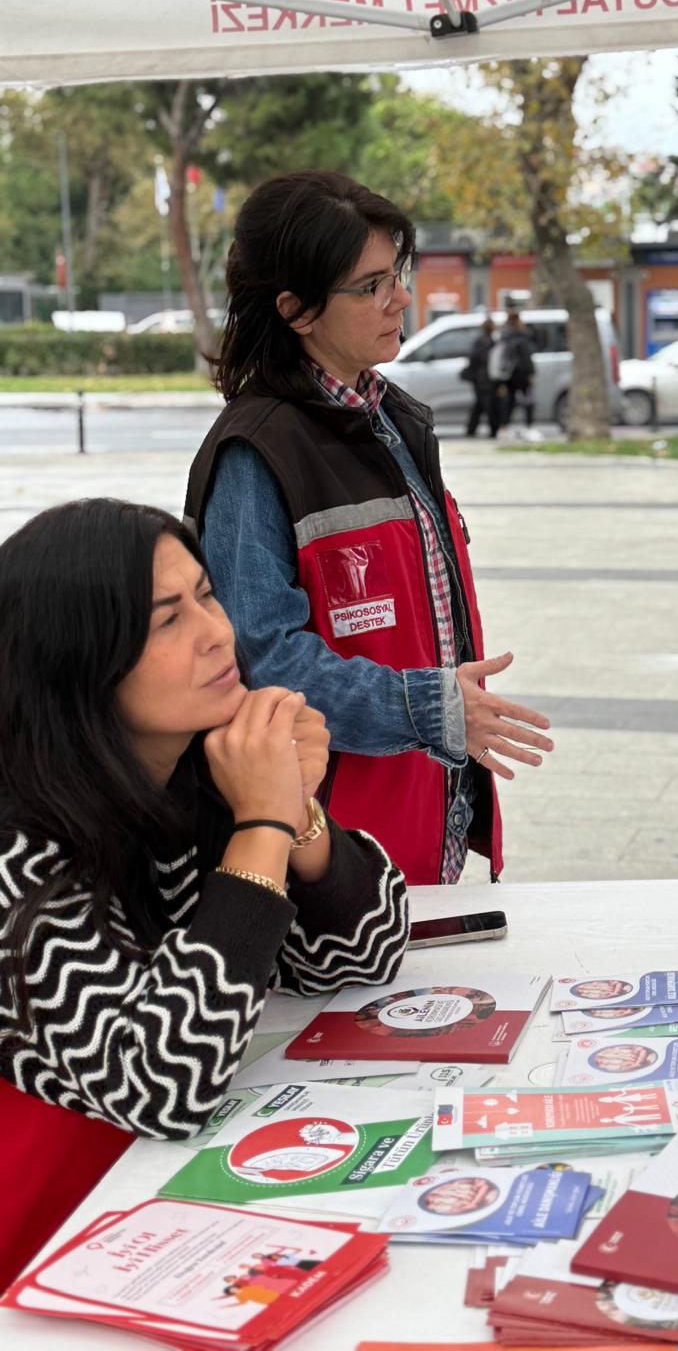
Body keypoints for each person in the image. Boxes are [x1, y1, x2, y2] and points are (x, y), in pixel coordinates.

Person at [0, 498, 412, 1289]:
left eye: (207, 594)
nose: (217, 632)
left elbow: (360, 957)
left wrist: (298, 811)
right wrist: (262, 820)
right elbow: (161, 1083)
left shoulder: (188, 776)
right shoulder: (21, 847)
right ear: (79, 659)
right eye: (166, 621)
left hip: (151, 1204)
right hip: (44, 1244)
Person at [185, 171, 554, 886]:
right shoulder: (256, 454)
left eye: (400, 274)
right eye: (373, 284)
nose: (402, 299)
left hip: (419, 822)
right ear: (296, 309)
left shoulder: (393, 420)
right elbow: (261, 664)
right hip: (327, 852)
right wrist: (427, 707)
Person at [490, 309, 536, 431]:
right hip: (521, 373)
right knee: (528, 400)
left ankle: (505, 426)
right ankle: (529, 426)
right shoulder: (522, 335)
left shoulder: (502, 335)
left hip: (507, 374)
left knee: (508, 401)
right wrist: (531, 373)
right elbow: (526, 357)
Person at [463, 320, 499, 438]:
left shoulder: (481, 341)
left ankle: (472, 429)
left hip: (481, 378)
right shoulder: (491, 342)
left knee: (480, 405)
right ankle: (493, 429)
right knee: (488, 405)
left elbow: (473, 359)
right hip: (486, 378)